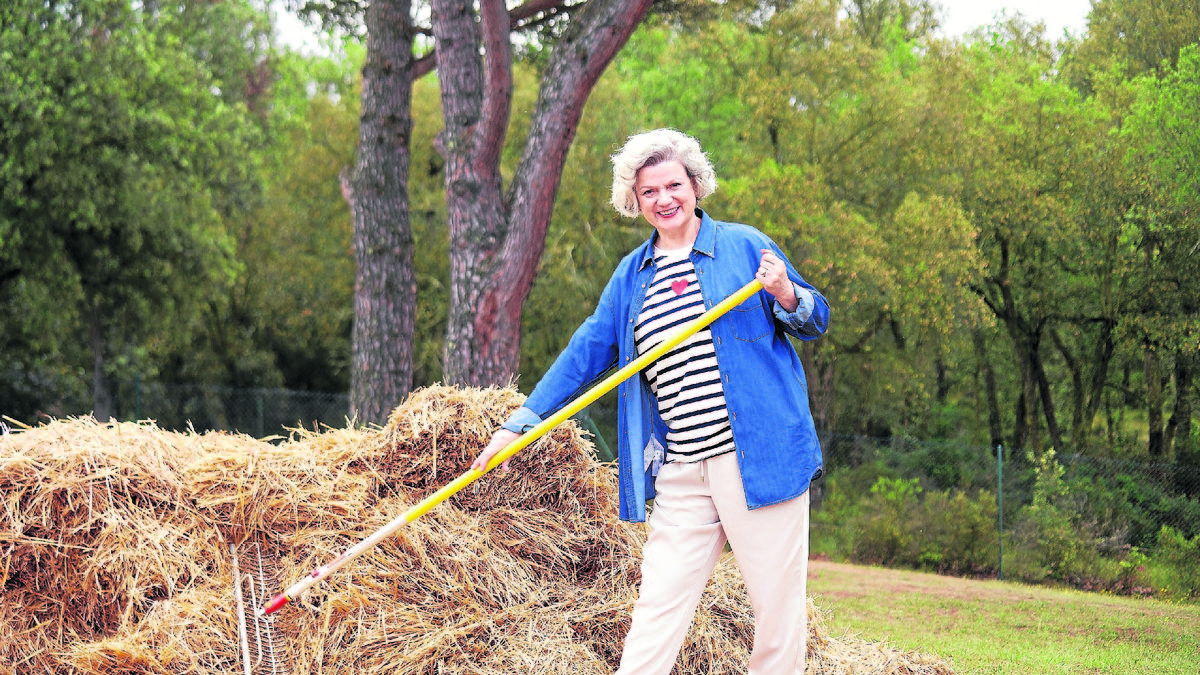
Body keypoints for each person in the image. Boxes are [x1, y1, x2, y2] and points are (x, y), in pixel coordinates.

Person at [472, 128, 830, 675]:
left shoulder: (743, 246)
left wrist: (783, 291)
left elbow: (814, 316)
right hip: (683, 469)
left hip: (756, 459)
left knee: (777, 617)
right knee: (657, 609)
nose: (664, 199)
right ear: (634, 201)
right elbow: (585, 352)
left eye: (673, 185)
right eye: (649, 192)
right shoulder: (632, 277)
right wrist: (519, 424)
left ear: (695, 184)